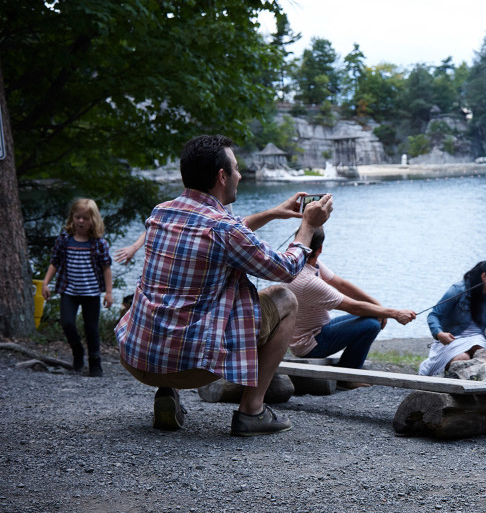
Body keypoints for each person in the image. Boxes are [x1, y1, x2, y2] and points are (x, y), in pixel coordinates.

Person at [115, 134, 332, 436]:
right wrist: (308, 226)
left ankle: (167, 395)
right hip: (191, 369)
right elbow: (285, 269)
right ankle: (252, 411)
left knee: (172, 291)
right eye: (237, 168)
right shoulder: (224, 229)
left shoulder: (160, 213)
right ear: (221, 176)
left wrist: (271, 213)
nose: (240, 175)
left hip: (137, 358)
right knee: (284, 298)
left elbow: (223, 232)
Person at [284, 227, 416, 386]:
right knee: (371, 325)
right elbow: (353, 307)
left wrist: (378, 306)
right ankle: (346, 377)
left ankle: (348, 370)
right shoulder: (307, 281)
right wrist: (394, 313)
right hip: (310, 344)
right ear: (319, 249)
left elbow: (342, 284)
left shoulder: (306, 264)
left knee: (374, 315)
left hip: (317, 331)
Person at [42, 198, 113, 377]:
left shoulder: (99, 243)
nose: (81, 221)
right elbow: (54, 263)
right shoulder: (64, 241)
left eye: (85, 218)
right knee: (67, 323)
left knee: (91, 329)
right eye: (78, 217)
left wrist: (109, 293)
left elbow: (106, 268)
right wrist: (45, 283)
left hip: (91, 293)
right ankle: (77, 351)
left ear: (93, 221)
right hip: (69, 291)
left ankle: (95, 362)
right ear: (72, 218)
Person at [419, 260, 486, 376]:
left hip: (477, 337)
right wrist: (439, 334)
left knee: (479, 350)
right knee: (463, 358)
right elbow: (434, 315)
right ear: (484, 276)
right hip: (453, 337)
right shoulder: (458, 289)